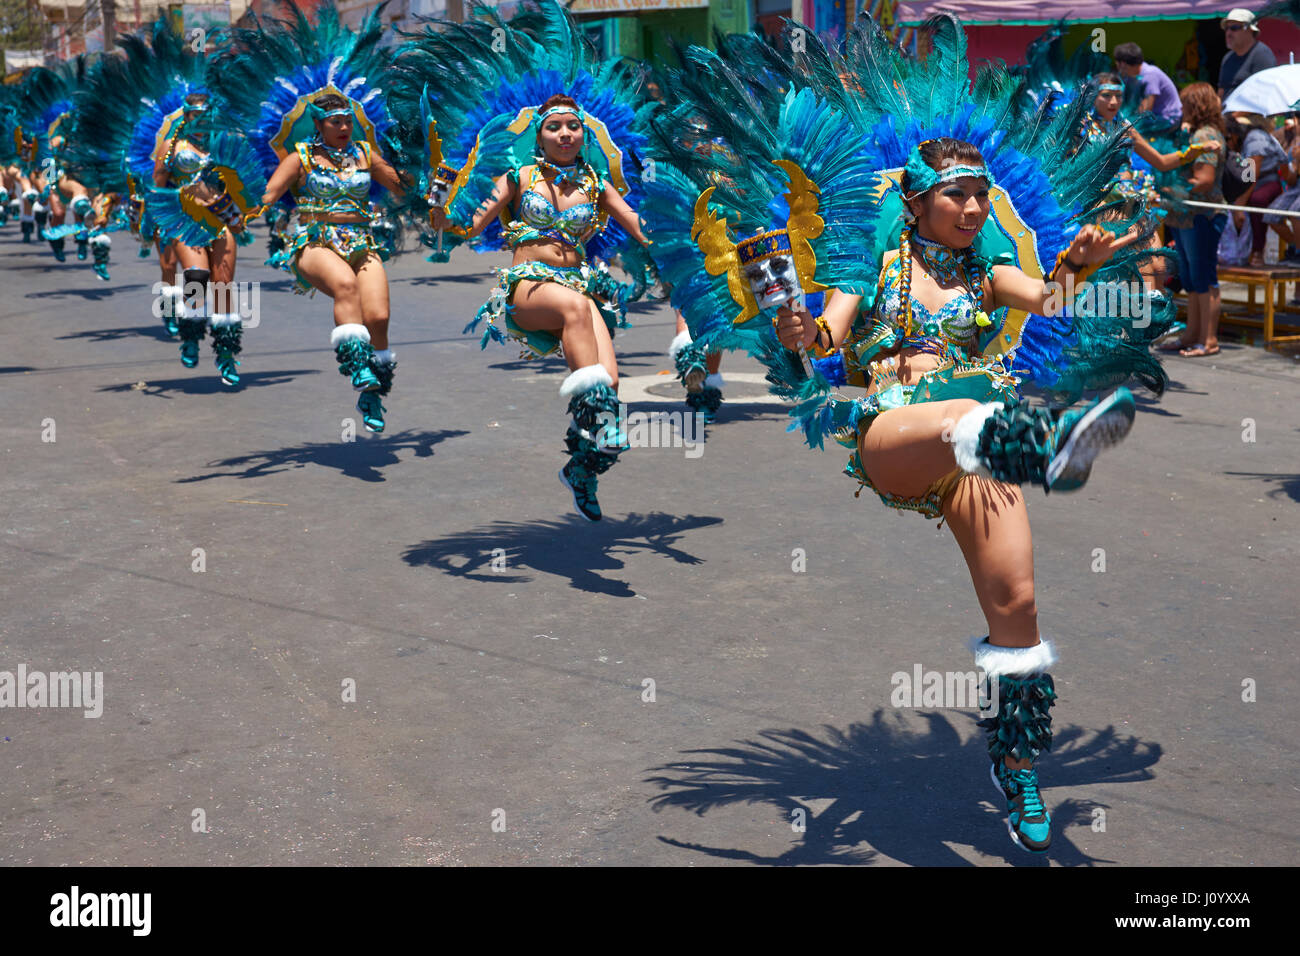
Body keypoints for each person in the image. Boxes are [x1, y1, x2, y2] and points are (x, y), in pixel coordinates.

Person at [433, 93, 652, 520]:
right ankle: (598, 422)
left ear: (583, 133)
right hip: (529, 287)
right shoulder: (518, 177)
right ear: (539, 135)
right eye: (554, 127)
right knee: (574, 311)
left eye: (572, 126)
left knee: (609, 385)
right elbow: (472, 222)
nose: (564, 134)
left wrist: (683, 239)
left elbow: (637, 224)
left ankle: (582, 470)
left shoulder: (594, 183)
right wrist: (445, 217)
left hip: (578, 287)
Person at [255, 93, 406, 432]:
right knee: (345, 285)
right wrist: (241, 200)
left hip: (360, 241)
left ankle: (372, 393)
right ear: (319, 124)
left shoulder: (365, 154)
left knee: (379, 317)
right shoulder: (300, 158)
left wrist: (428, 178)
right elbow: (268, 194)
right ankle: (357, 367)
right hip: (314, 241)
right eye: (335, 121)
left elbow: (402, 188)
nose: (343, 127)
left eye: (348, 120)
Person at [1132, 83, 1227, 357]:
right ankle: (1192, 336)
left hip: (1202, 215)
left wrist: (1172, 187)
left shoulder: (1207, 134)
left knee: (1204, 276)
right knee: (1192, 277)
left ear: (1196, 106)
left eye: (1186, 105)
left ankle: (1207, 340)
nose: (1181, 110)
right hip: (1187, 217)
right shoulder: (1195, 133)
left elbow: (1205, 180)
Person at [1224, 114, 1292, 266]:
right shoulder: (1245, 140)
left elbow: (1251, 176)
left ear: (1235, 135)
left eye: (1228, 139)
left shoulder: (1255, 140)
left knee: (1256, 200)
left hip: (1269, 182)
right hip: (1251, 182)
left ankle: (1258, 250)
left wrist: (1239, 208)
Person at [1114, 42, 1181, 129]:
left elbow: (1145, 111)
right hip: (1155, 118)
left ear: (1123, 64)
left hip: (1167, 120)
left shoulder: (1150, 75)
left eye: (1117, 65)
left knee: (1132, 133)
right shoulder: (1132, 77)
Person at [1218, 9, 1276, 103]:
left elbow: (1262, 96)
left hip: (1253, 115)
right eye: (1226, 28)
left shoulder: (1262, 55)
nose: (1228, 33)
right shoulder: (1227, 58)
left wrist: (1232, 115)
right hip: (1227, 114)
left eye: (1234, 28)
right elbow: (1221, 92)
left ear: (1249, 29)